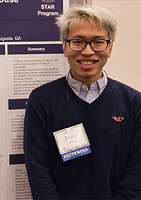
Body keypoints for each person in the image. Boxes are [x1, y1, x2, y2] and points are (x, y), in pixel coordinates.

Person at [23, 4, 141, 200]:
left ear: (110, 47)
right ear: (64, 46)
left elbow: (136, 173)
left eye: (98, 42)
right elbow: (38, 171)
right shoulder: (41, 101)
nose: (87, 52)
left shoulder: (134, 103)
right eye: (78, 41)